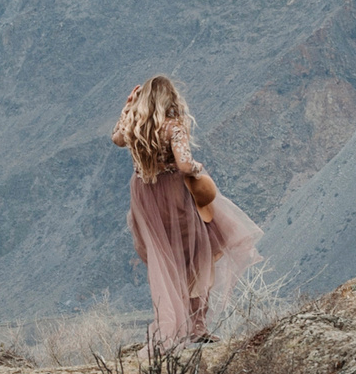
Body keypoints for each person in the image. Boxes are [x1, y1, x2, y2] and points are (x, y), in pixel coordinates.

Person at [112, 76, 262, 346]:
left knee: (165, 260)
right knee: (198, 255)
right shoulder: (174, 128)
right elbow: (183, 164)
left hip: (145, 198)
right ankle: (197, 325)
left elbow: (116, 139)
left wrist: (126, 107)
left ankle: (175, 324)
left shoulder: (133, 128)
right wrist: (196, 167)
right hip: (174, 195)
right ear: (170, 99)